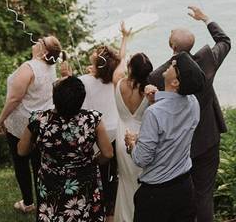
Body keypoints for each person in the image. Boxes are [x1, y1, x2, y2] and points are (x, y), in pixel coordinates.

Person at [148, 5, 231, 222]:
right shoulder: (207, 61)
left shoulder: (158, 76)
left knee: (183, 196)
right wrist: (205, 18)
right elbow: (225, 41)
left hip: (179, 142)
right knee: (204, 194)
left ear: (171, 45)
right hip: (208, 136)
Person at [18, 75, 115, 222]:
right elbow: (108, 153)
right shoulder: (92, 119)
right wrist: (93, 161)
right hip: (84, 182)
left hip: (51, 183)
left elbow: (21, 150)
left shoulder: (39, 120)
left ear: (55, 97)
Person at [126, 51, 206, 222]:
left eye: (175, 65)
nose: (172, 62)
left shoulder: (154, 113)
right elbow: (174, 131)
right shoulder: (193, 103)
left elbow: (142, 159)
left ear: (175, 82)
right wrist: (156, 101)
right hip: (185, 188)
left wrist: (131, 144)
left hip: (156, 196)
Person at [0, 36, 64, 214]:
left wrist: (1, 119)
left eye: (40, 41)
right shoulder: (51, 66)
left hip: (22, 126)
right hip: (43, 123)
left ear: (44, 51)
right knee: (39, 166)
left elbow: (14, 98)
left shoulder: (29, 67)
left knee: (21, 162)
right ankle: (44, 204)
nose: (36, 40)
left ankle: (27, 202)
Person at [81, 22, 131, 222]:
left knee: (98, 173)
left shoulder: (84, 81)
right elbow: (122, 60)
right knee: (113, 176)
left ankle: (96, 209)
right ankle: (111, 212)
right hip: (116, 133)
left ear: (95, 68)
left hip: (97, 135)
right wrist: (125, 38)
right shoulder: (117, 80)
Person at [113, 52, 154, 222]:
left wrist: (124, 38)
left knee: (124, 182)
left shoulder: (119, 82)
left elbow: (120, 63)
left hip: (121, 138)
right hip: (140, 138)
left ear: (131, 68)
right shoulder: (148, 92)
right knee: (141, 182)